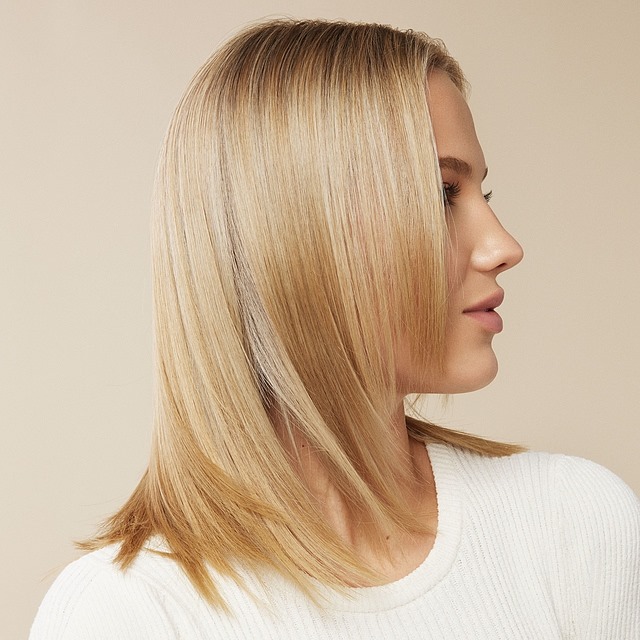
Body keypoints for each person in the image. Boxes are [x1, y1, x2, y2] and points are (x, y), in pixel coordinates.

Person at [31, 19, 639, 639]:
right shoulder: (127, 613)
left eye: (484, 193)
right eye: (441, 194)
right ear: (295, 231)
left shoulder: (574, 524)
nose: (504, 246)